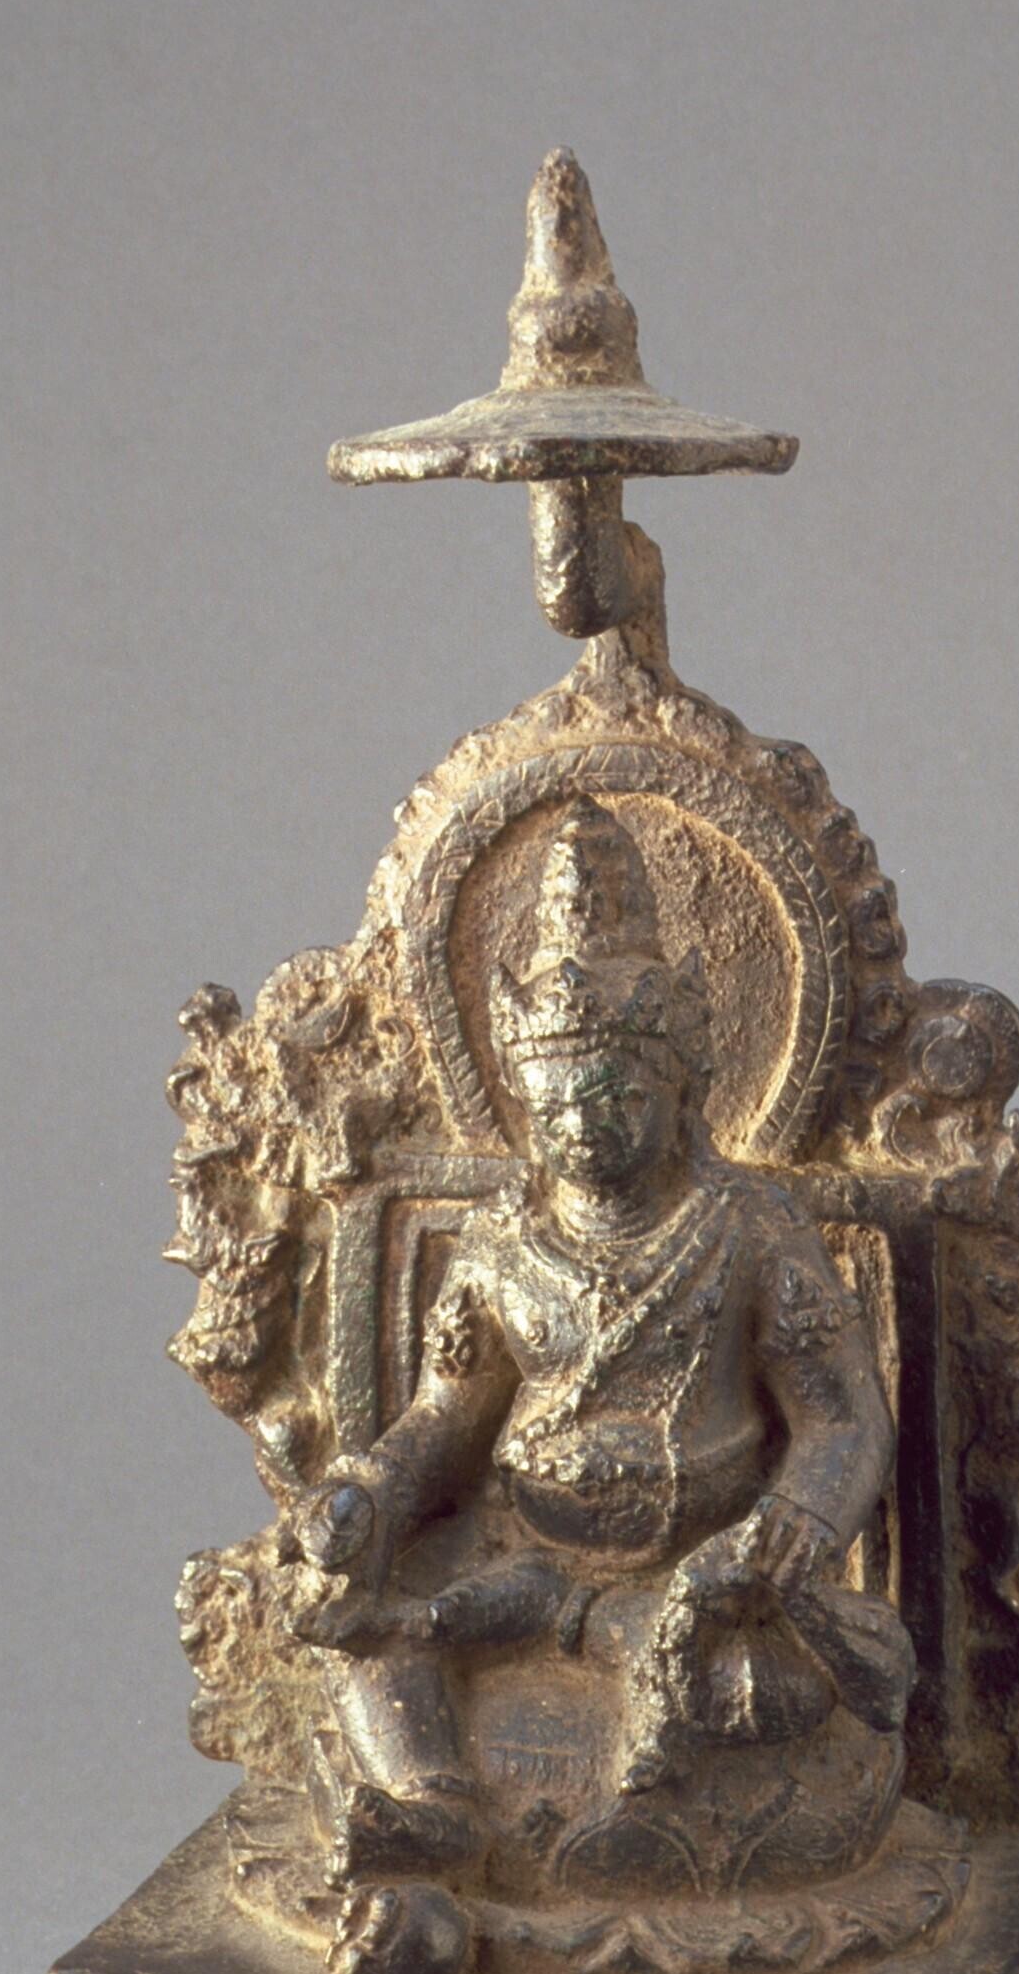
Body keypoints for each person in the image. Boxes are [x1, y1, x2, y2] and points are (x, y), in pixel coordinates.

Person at [289, 797, 914, 1888]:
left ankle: (578, 1822)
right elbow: (447, 1417)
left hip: (694, 1573)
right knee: (367, 1635)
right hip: (517, 1555)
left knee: (779, 1694)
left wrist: (789, 1528)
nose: (584, 1122)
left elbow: (841, 1419)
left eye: (617, 1092)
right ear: (522, 1102)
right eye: (556, 1102)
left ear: (683, 1088)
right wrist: (369, 1491)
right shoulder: (499, 1244)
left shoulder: (748, 1230)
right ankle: (436, 1812)